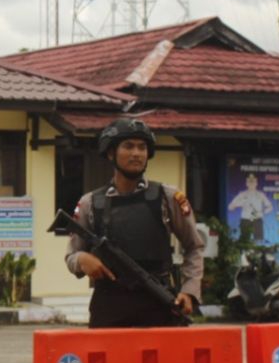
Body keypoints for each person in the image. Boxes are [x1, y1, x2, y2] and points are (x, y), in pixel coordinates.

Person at [64, 118, 204, 328]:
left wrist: (189, 290)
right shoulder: (90, 203)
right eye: (128, 146)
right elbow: (71, 256)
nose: (137, 153)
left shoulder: (168, 197)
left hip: (158, 303)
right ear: (111, 153)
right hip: (109, 307)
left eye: (142, 147)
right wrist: (82, 259)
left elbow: (194, 246)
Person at [227, 172, 273, 242]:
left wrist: (263, 212)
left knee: (259, 240)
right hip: (245, 220)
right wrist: (238, 204)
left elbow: (270, 207)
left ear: (256, 183)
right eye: (249, 181)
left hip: (257, 220)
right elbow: (230, 207)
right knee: (244, 241)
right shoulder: (242, 194)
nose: (251, 183)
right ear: (246, 183)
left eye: (253, 181)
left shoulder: (261, 194)